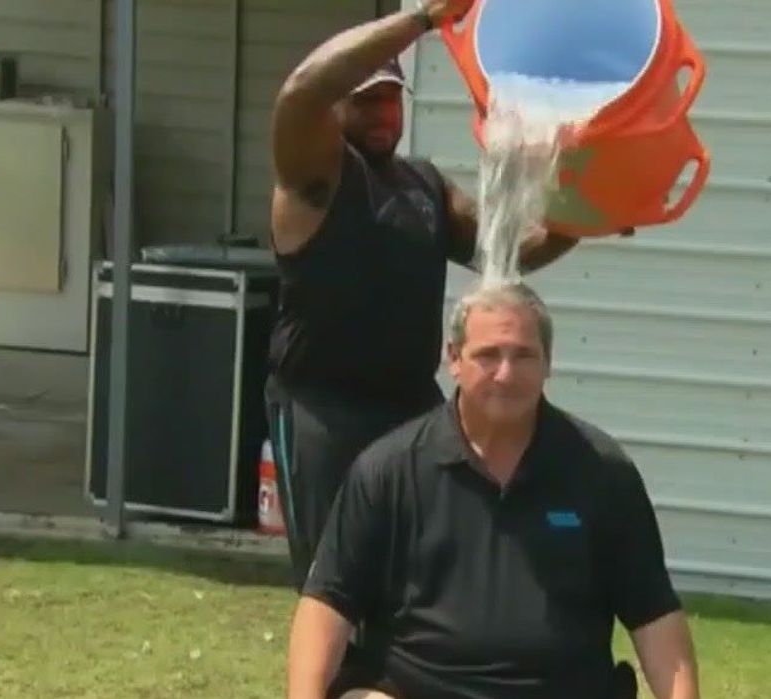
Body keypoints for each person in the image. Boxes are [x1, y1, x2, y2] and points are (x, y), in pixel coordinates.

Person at [264, 0, 629, 589]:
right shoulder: (314, 175)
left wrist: (586, 219)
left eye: (391, 99)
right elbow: (302, 90)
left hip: (412, 403)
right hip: (323, 409)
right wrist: (423, 20)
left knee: (423, 563)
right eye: (366, 100)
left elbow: (510, 250)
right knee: (334, 581)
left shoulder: (423, 184)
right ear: (337, 108)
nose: (384, 113)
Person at [285, 282, 700, 699]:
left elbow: (655, 617)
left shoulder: (603, 471)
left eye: (523, 355)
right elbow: (326, 606)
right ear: (454, 360)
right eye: (488, 355)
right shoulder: (389, 470)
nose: (506, 374)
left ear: (548, 363)